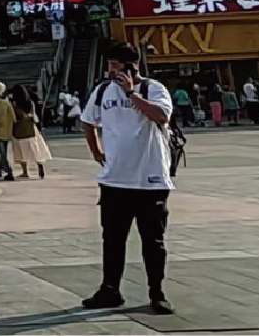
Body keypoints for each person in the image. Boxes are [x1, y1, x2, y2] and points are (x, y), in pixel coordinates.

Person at [80, 43, 177, 316]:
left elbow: (161, 116)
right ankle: (110, 289)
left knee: (153, 241)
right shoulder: (102, 91)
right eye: (109, 65)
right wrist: (96, 151)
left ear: (131, 66)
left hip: (150, 181)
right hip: (114, 180)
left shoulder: (153, 89)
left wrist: (131, 93)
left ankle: (157, 293)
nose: (111, 71)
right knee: (112, 239)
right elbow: (88, 121)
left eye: (116, 65)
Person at [10, 85, 52, 179]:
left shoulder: (14, 104)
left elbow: (14, 117)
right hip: (31, 128)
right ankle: (39, 164)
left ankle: (25, 171)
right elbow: (35, 115)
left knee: (21, 151)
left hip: (19, 129)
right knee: (35, 149)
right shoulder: (30, 102)